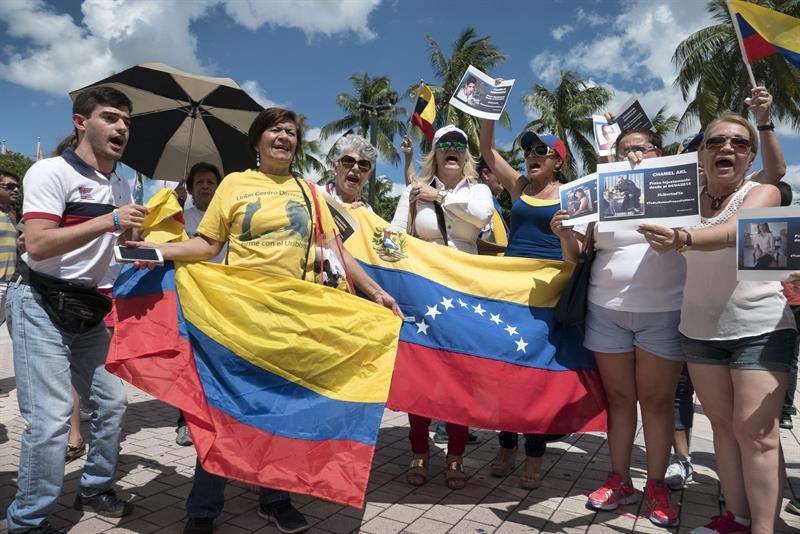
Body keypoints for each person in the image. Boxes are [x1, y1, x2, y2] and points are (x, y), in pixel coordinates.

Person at [129, 107, 401, 534]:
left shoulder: (309, 192)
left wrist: (378, 292)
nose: (284, 137)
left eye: (291, 132)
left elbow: (338, 251)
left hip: (293, 320)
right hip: (238, 316)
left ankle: (275, 499)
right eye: (275, 129)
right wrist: (156, 252)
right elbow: (206, 244)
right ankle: (203, 509)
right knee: (223, 408)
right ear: (256, 141)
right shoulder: (234, 184)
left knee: (280, 410)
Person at [639, 112, 794, 534]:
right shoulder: (680, 199)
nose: (727, 148)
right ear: (701, 154)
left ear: (749, 157)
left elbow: (733, 231)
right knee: (724, 430)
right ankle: (736, 519)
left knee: (757, 434)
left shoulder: (762, 193)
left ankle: (764, 529)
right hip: (699, 331)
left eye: (739, 144)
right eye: (716, 141)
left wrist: (683, 239)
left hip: (761, 327)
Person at [7, 86, 145, 534]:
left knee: (112, 403)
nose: (121, 126)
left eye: (126, 120)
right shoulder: (50, 171)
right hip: (40, 303)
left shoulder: (122, 182)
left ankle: (95, 486)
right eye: (110, 117)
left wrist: (135, 246)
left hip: (90, 308)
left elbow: (113, 245)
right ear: (80, 122)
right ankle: (28, 521)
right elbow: (40, 243)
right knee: (49, 423)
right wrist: (110, 220)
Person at [551, 128, 683, 528]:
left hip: (662, 310)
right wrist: (563, 234)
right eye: (624, 149)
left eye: (639, 148)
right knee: (621, 400)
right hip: (606, 309)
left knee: (657, 403)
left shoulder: (676, 188)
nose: (631, 155)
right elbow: (579, 254)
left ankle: (656, 485)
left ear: (657, 152)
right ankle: (620, 480)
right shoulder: (602, 193)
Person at [391, 125, 493, 489]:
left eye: (460, 145)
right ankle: (419, 451)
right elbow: (395, 236)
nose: (453, 149)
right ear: (435, 153)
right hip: (423, 294)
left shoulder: (479, 189)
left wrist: (441, 197)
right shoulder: (414, 190)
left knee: (459, 376)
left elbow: (482, 218)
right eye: (445, 144)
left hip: (464, 295)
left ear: (466, 156)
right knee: (422, 373)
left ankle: (456, 456)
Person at [480, 114, 569, 490]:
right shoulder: (519, 186)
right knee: (506, 373)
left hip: (548, 296)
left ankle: (534, 456)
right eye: (528, 150)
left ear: (557, 160)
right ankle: (506, 448)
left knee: (535, 378)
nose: (531, 156)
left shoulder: (572, 194)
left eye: (540, 150)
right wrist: (487, 116)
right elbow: (486, 150)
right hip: (510, 292)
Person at [174, 162, 226, 448]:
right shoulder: (180, 218)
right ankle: (185, 422)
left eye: (210, 182)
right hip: (189, 301)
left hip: (223, 302)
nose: (205, 186)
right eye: (200, 183)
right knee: (190, 364)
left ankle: (217, 417)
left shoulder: (229, 218)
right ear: (191, 190)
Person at [0, 169, 19, 400]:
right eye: (9, 186)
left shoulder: (12, 215)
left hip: (11, 283)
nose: (15, 190)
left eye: (17, 187)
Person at [325, 134, 376, 208]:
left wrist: (361, 216)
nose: (356, 168)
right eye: (348, 161)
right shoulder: (314, 196)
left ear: (369, 175)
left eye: (363, 165)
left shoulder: (368, 211)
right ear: (335, 167)